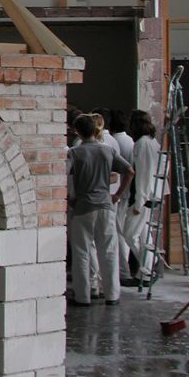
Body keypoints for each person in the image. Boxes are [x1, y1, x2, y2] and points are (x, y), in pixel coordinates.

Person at [67, 113, 134, 306]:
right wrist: (117, 195)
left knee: (82, 252)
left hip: (83, 207)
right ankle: (112, 295)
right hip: (105, 205)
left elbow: (63, 175)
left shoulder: (74, 153)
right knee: (109, 252)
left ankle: (83, 296)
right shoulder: (107, 151)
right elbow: (129, 171)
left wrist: (69, 199)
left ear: (77, 131)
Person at [123, 109, 165, 281]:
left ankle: (149, 264)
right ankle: (146, 270)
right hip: (151, 194)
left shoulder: (142, 144)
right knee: (142, 235)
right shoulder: (152, 142)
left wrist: (139, 202)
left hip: (144, 196)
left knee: (129, 233)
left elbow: (144, 174)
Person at [108, 108, 137, 284]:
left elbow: (125, 170)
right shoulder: (130, 141)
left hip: (118, 192)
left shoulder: (114, 142)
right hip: (126, 191)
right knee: (122, 232)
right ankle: (124, 270)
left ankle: (123, 271)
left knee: (118, 232)